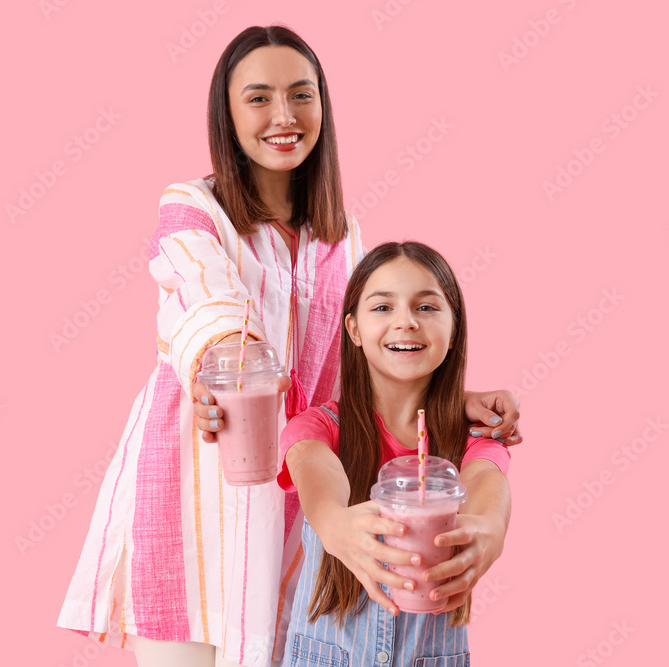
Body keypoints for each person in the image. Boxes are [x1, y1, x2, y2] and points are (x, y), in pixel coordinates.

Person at [58, 25, 521, 667]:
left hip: (298, 499)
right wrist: (221, 363)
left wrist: (445, 394)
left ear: (323, 108)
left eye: (301, 95)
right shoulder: (194, 207)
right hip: (197, 482)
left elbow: (357, 365)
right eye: (258, 98)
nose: (284, 116)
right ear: (227, 114)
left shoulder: (344, 236)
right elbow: (206, 301)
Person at [278, 241, 511, 666]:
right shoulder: (319, 428)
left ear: (454, 327)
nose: (406, 322)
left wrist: (490, 530)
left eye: (426, 307)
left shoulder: (475, 436)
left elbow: (484, 481)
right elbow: (313, 467)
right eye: (383, 308)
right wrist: (333, 522)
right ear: (353, 329)